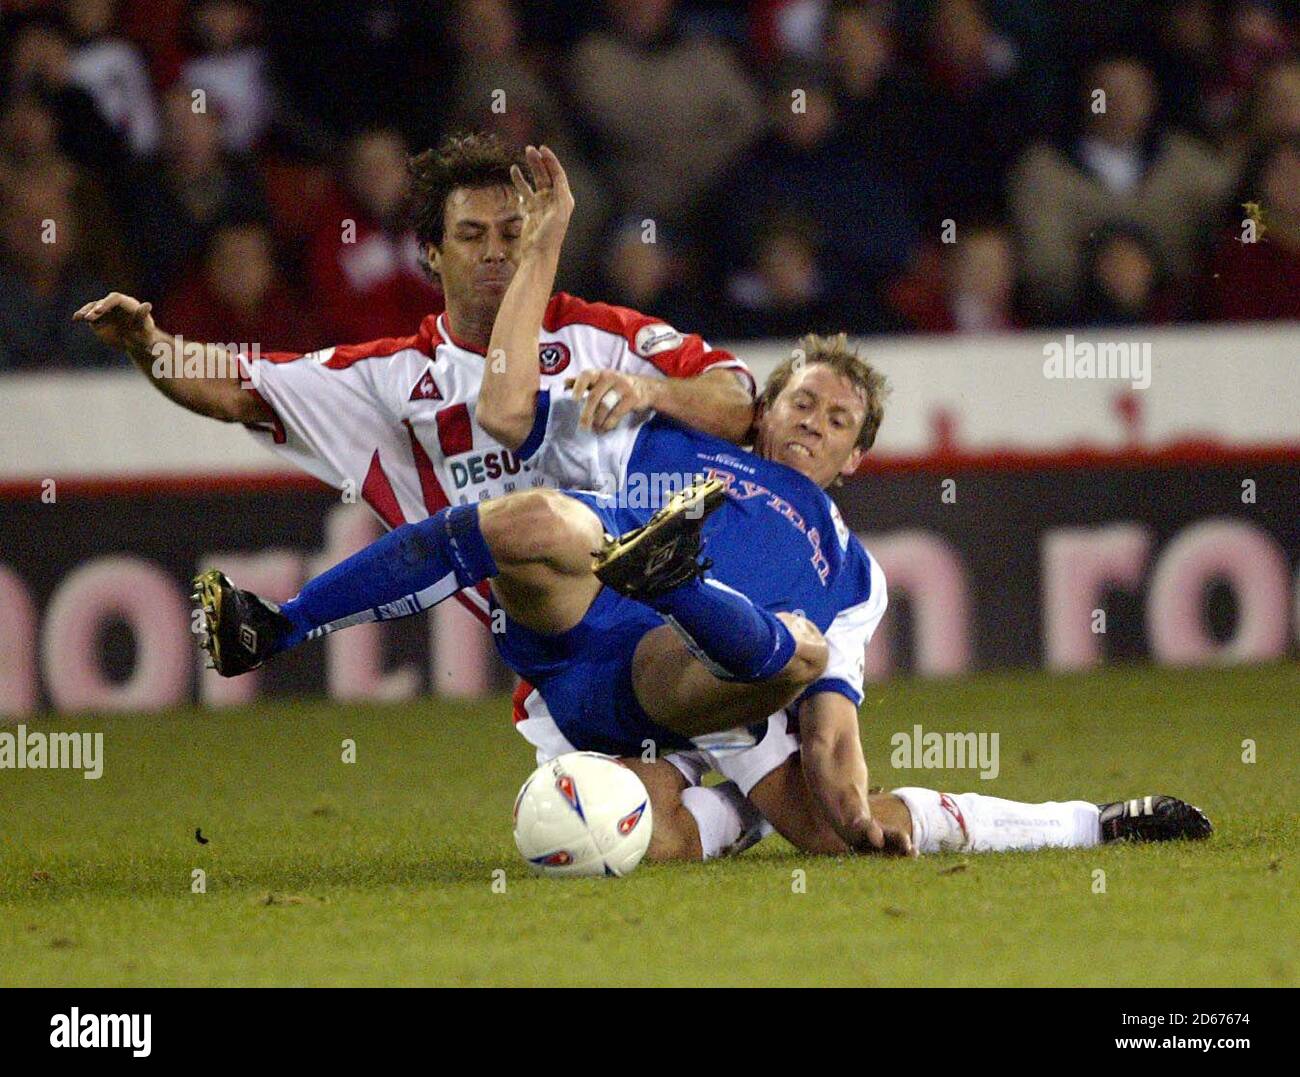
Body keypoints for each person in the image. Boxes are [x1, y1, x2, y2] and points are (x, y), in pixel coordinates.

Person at [192, 148, 1213, 860]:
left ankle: (1090, 825)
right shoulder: (653, 424)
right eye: (801, 399)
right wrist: (550, 242)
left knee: (781, 753)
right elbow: (503, 406)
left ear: (856, 458)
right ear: (764, 409)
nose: (813, 419)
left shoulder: (848, 563)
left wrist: (843, 801)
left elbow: (832, 717)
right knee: (537, 522)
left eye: (838, 418)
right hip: (588, 649)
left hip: (707, 678)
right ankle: (276, 624)